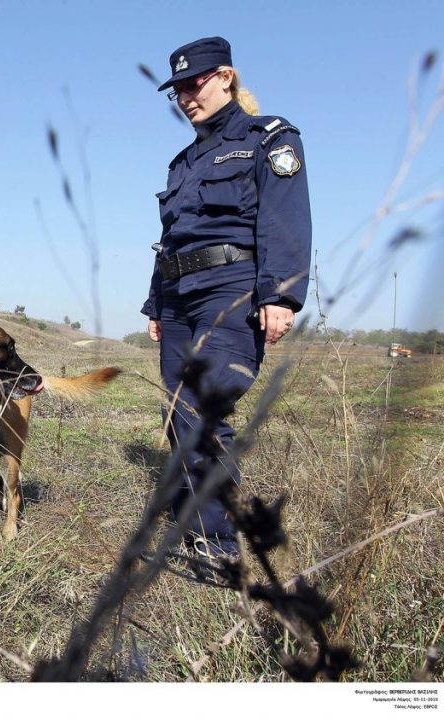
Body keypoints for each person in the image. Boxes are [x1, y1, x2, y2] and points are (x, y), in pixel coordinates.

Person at [142, 36, 312, 556]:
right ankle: (190, 524)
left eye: (195, 83)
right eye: (178, 91)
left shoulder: (268, 138)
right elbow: (173, 234)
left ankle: (217, 542)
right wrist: (156, 303)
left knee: (201, 405)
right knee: (178, 410)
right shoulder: (184, 161)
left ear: (225, 77)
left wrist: (280, 295)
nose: (187, 96)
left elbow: (284, 219)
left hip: (232, 289)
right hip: (177, 295)